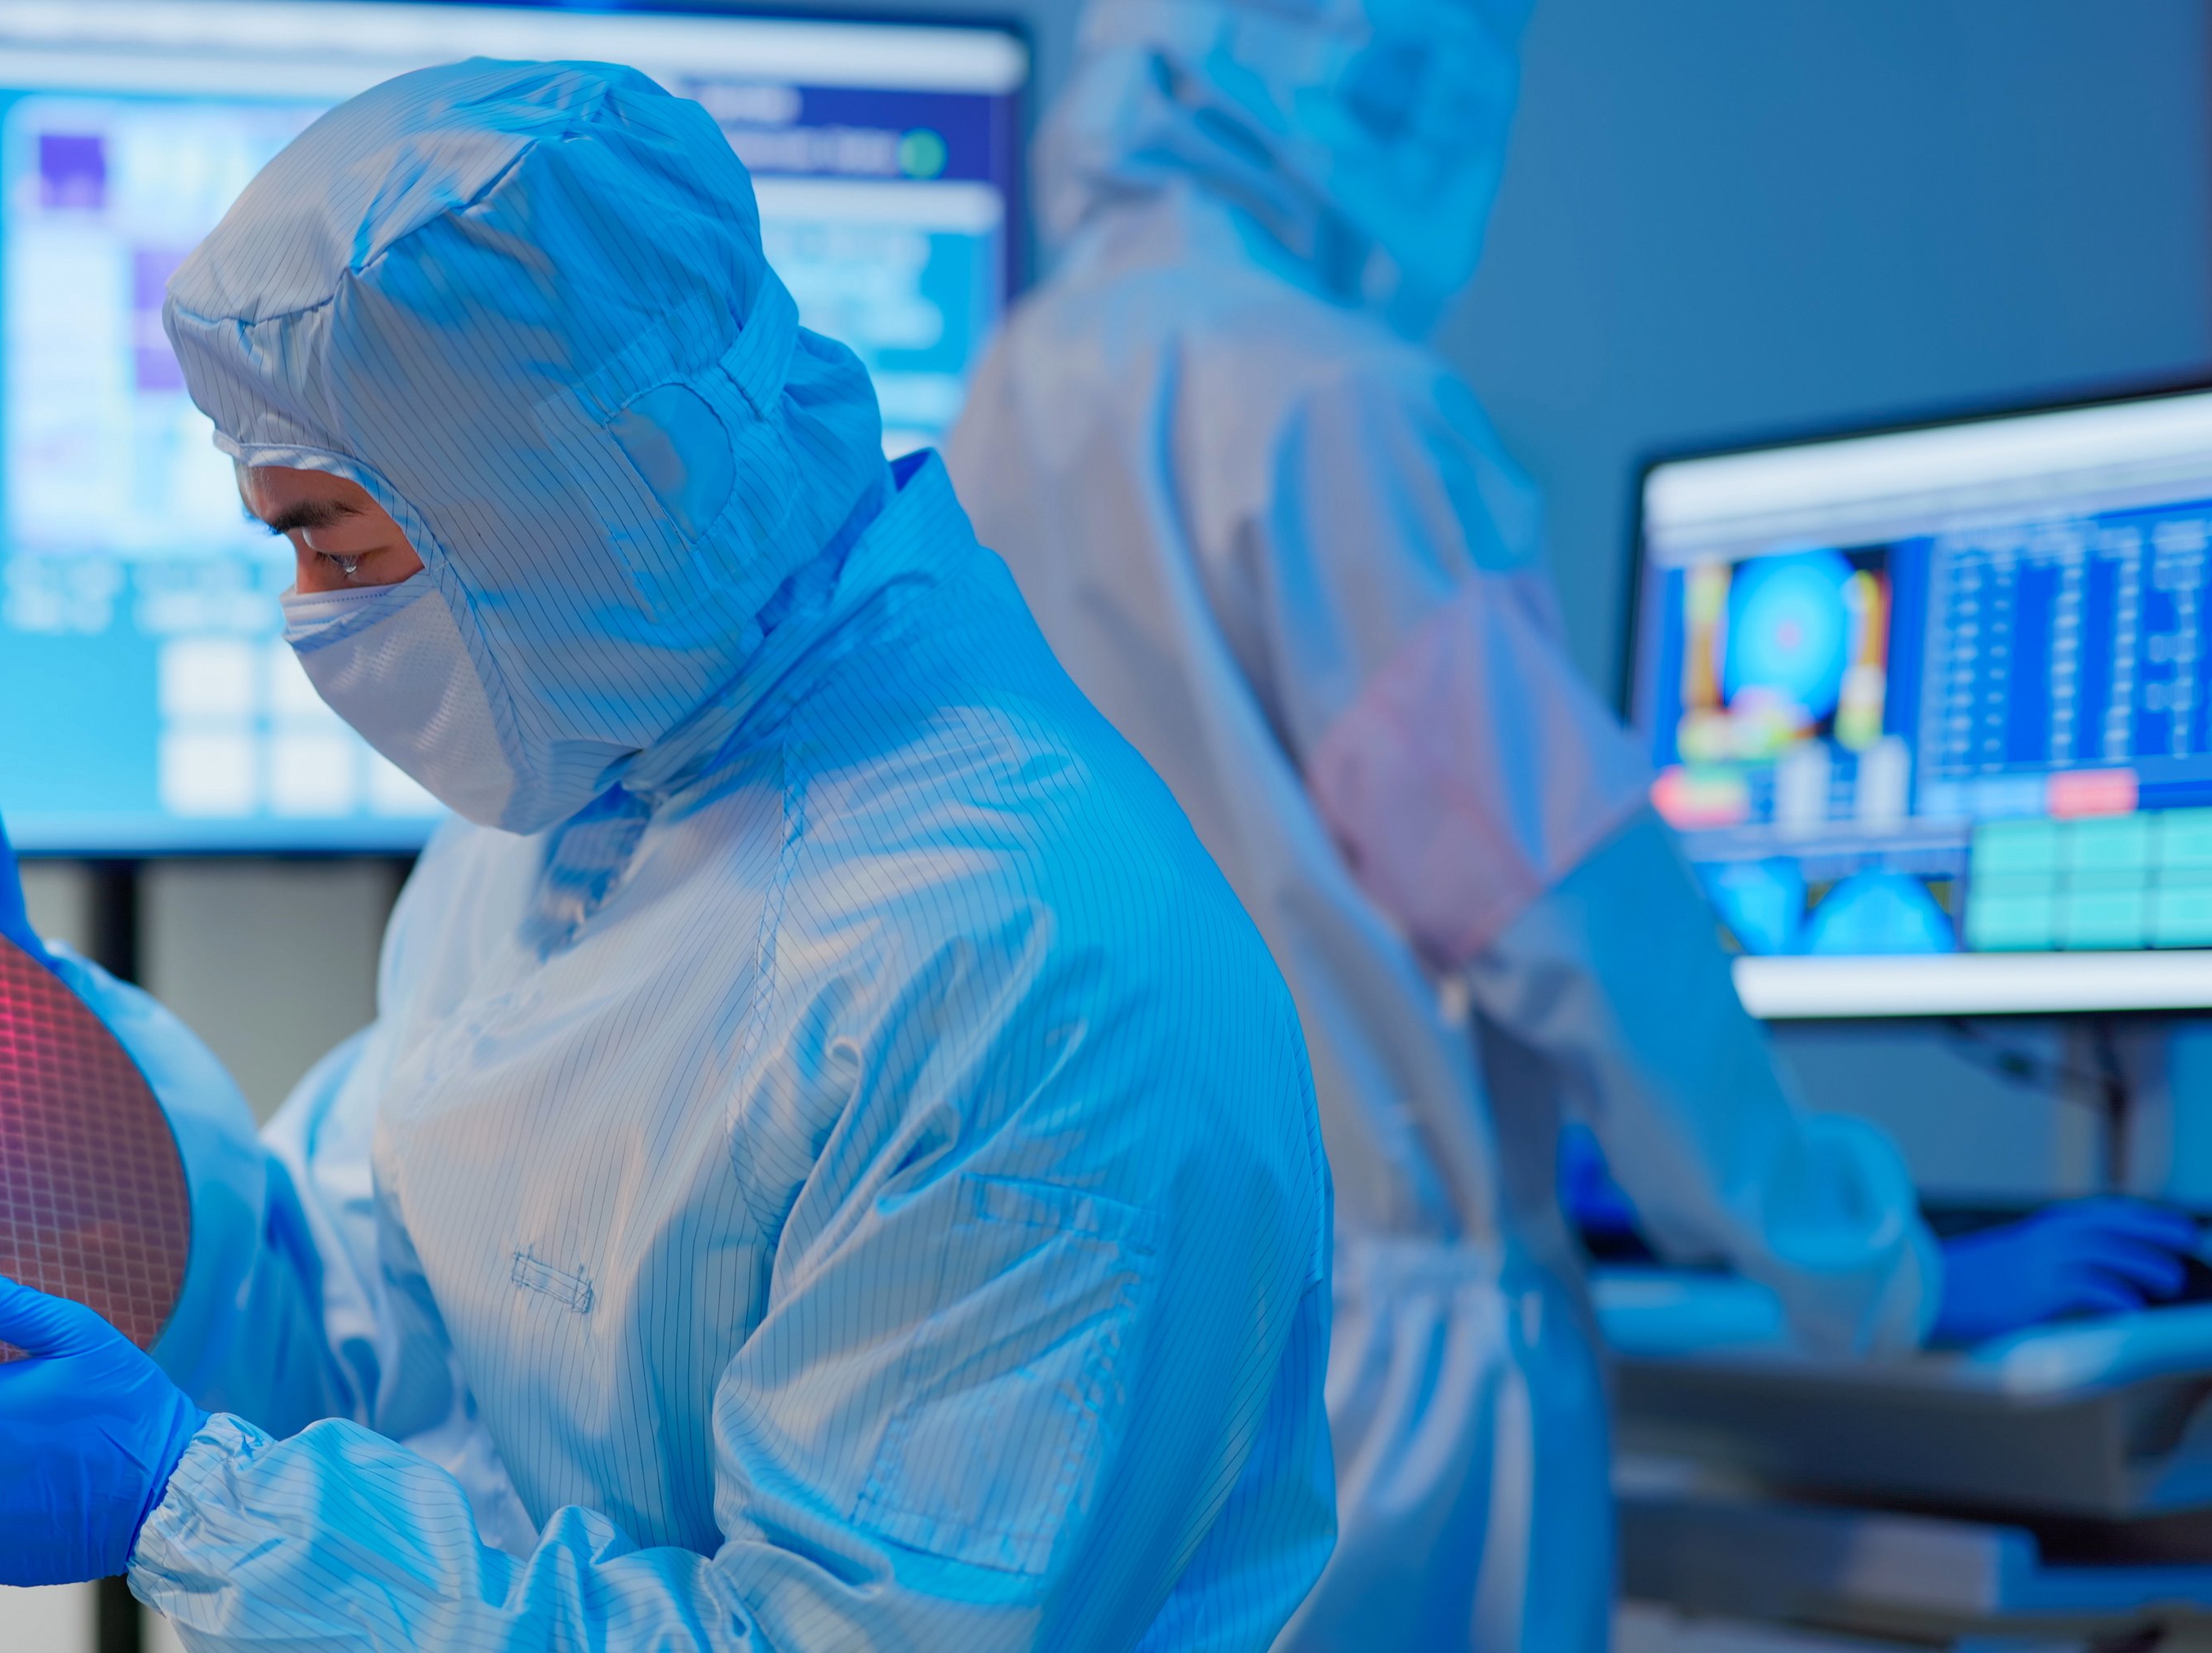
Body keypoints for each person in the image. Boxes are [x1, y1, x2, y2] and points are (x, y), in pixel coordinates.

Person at [0, 60, 1338, 1651]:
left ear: (561, 495)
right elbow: (355, 1333)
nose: (309, 618)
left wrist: (185, 1504)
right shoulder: (585, 798)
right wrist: (40, 1046)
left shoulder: (1020, 967)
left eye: (332, 539)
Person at [939, 4, 2202, 1651]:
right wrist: (1878, 1268)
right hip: (1380, 1382)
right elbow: (1570, 911)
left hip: (1101, 1352)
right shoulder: (1324, 402)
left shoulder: (1009, 399)